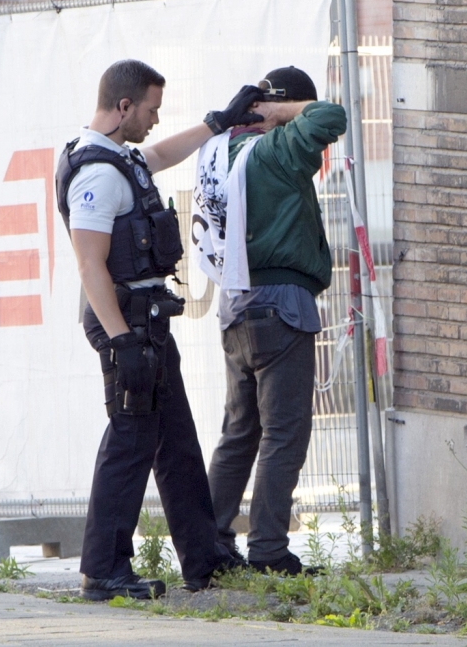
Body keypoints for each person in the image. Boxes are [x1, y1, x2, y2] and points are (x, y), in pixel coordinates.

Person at [55, 59, 264, 599]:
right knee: (130, 440)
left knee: (176, 444)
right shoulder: (97, 173)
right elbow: (89, 265)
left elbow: (161, 153)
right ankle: (102, 570)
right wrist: (122, 340)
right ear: (123, 107)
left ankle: (205, 561)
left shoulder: (117, 157)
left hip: (146, 321)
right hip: (127, 324)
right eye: (150, 109)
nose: (154, 119)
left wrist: (217, 122)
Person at [205, 66, 347, 575]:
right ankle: (268, 551)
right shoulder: (277, 149)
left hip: (235, 304)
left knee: (240, 432)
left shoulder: (222, 151)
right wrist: (282, 112)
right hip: (281, 305)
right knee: (284, 434)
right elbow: (331, 117)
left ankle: (211, 546)